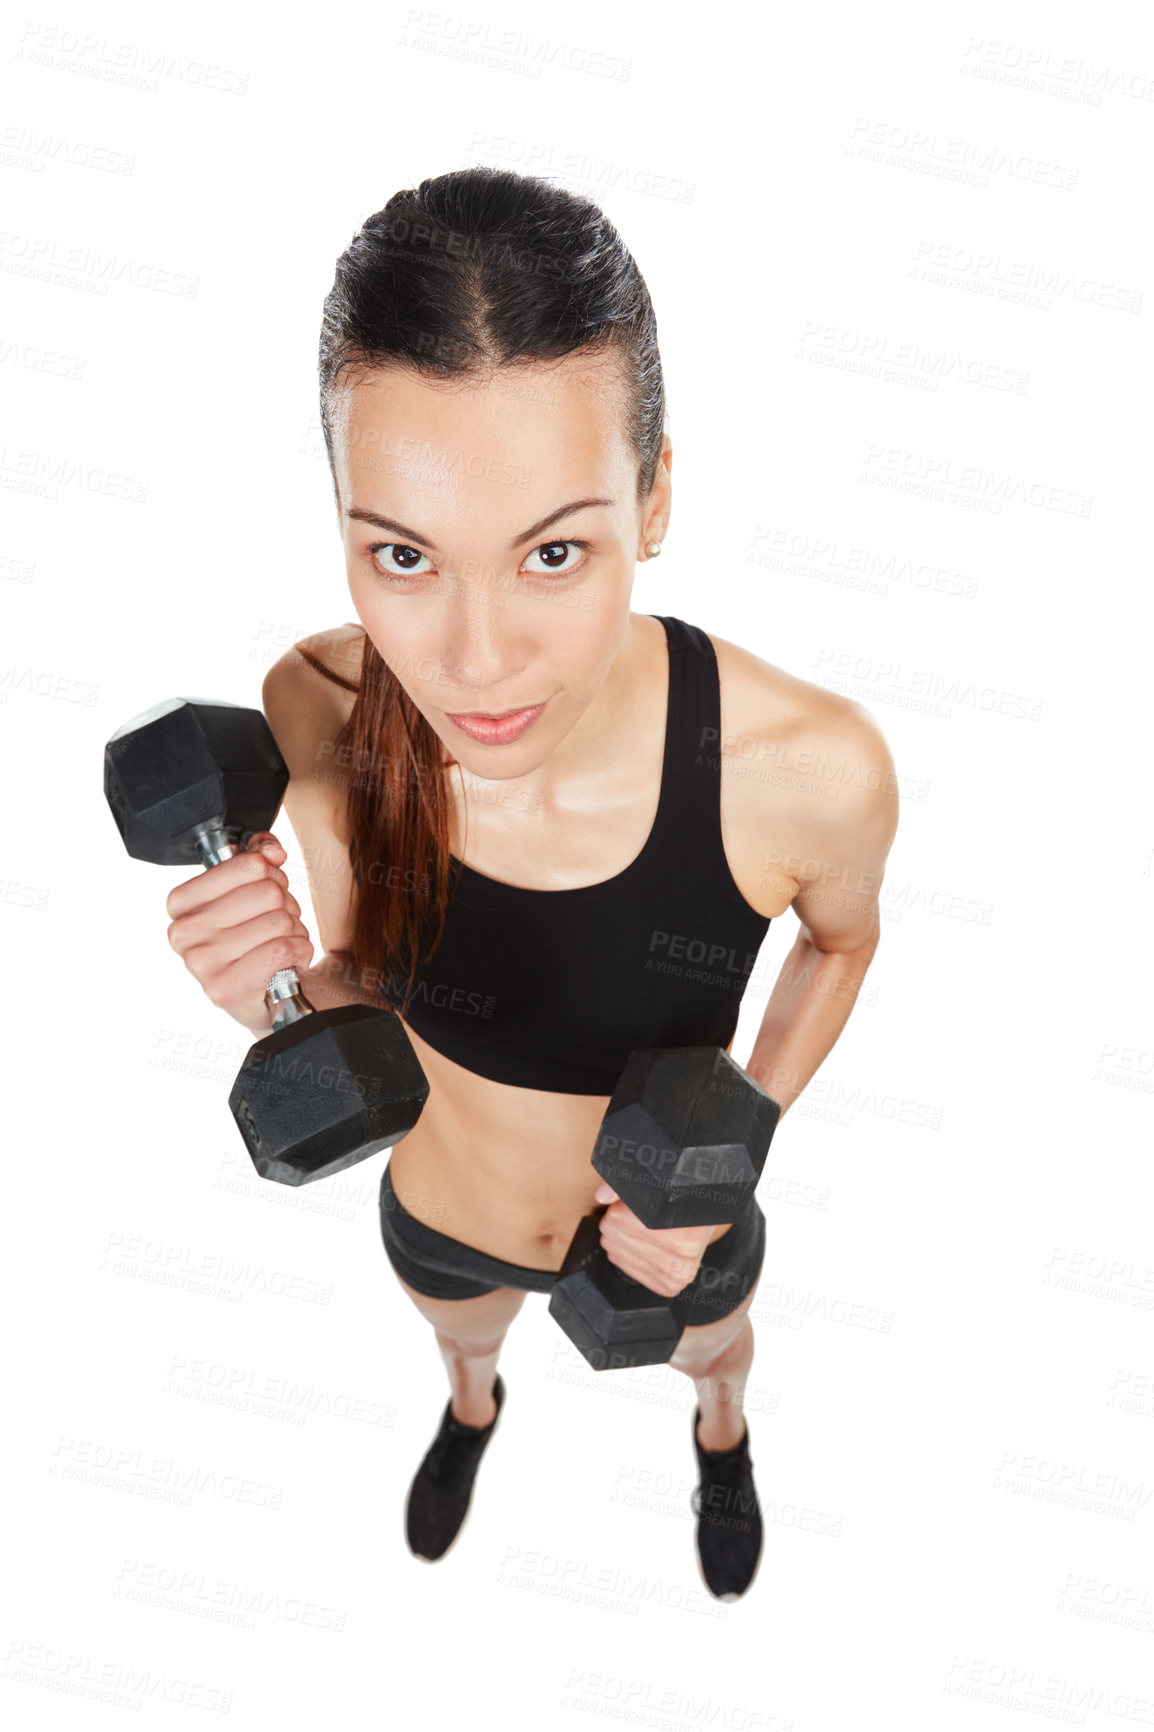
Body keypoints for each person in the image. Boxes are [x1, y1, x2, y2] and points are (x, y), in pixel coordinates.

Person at [163, 167, 898, 1602]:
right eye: (403, 555)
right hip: (448, 1201)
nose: (475, 658)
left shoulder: (804, 766)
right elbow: (372, 988)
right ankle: (471, 1409)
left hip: (669, 1235)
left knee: (719, 1351)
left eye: (552, 551)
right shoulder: (316, 704)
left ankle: (721, 1436)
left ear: (656, 493)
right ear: (343, 522)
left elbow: (839, 946)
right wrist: (265, 989)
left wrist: (733, 1145)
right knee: (460, 1335)